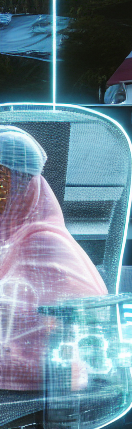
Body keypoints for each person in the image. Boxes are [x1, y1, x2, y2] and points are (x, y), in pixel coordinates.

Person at [0, 126, 107, 390]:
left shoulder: (41, 245)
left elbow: (51, 363)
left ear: (25, 188)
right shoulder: (13, 242)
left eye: (3, 185)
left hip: (46, 385)